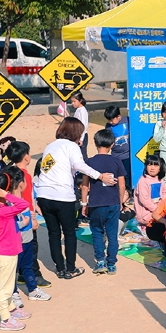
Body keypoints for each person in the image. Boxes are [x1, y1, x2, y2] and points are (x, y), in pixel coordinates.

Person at [36, 117, 117, 280]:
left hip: (44, 195)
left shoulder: (50, 146)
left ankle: (60, 268)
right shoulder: (71, 146)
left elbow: (45, 168)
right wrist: (100, 176)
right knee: (69, 233)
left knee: (53, 233)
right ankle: (71, 268)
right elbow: (80, 166)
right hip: (62, 196)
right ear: (75, 133)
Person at [0, 167, 32, 331]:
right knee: (4, 289)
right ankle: (5, 319)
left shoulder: (2, 207)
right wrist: (7, 195)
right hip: (5, 255)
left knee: (9, 284)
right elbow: (24, 203)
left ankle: (12, 309)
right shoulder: (2, 210)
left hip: (9, 252)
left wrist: (6, 197)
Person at [80, 129, 127, 275]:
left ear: (95, 143)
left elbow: (84, 185)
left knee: (97, 232)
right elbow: (122, 184)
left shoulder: (89, 162)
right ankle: (111, 263)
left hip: (95, 204)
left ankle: (100, 262)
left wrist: (84, 204)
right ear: (112, 144)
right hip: (113, 203)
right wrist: (120, 201)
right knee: (112, 235)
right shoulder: (117, 161)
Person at [5, 141, 52, 288]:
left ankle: (21, 274)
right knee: (31, 247)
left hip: (15, 216)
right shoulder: (24, 176)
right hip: (25, 216)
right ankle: (35, 276)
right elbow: (25, 200)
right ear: (26, 157)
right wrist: (33, 218)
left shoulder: (9, 172)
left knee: (21, 246)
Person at [134, 155, 166, 248]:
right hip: (146, 214)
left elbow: (165, 194)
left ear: (160, 168)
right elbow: (144, 200)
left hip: (157, 210)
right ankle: (145, 227)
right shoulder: (143, 181)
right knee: (163, 225)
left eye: (155, 165)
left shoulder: (160, 180)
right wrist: (157, 210)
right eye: (150, 165)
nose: (152, 167)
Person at [104, 105, 131, 190]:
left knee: (128, 176)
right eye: (108, 120)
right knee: (117, 175)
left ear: (119, 116)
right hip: (116, 155)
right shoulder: (108, 126)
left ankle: (128, 192)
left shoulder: (128, 120)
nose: (110, 122)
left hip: (128, 155)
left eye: (112, 120)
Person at [70, 92, 89, 160]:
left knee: (83, 155)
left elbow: (84, 125)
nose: (73, 103)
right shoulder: (78, 110)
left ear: (80, 101)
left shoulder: (82, 111)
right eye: (72, 102)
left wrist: (81, 139)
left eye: (74, 101)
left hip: (82, 135)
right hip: (77, 135)